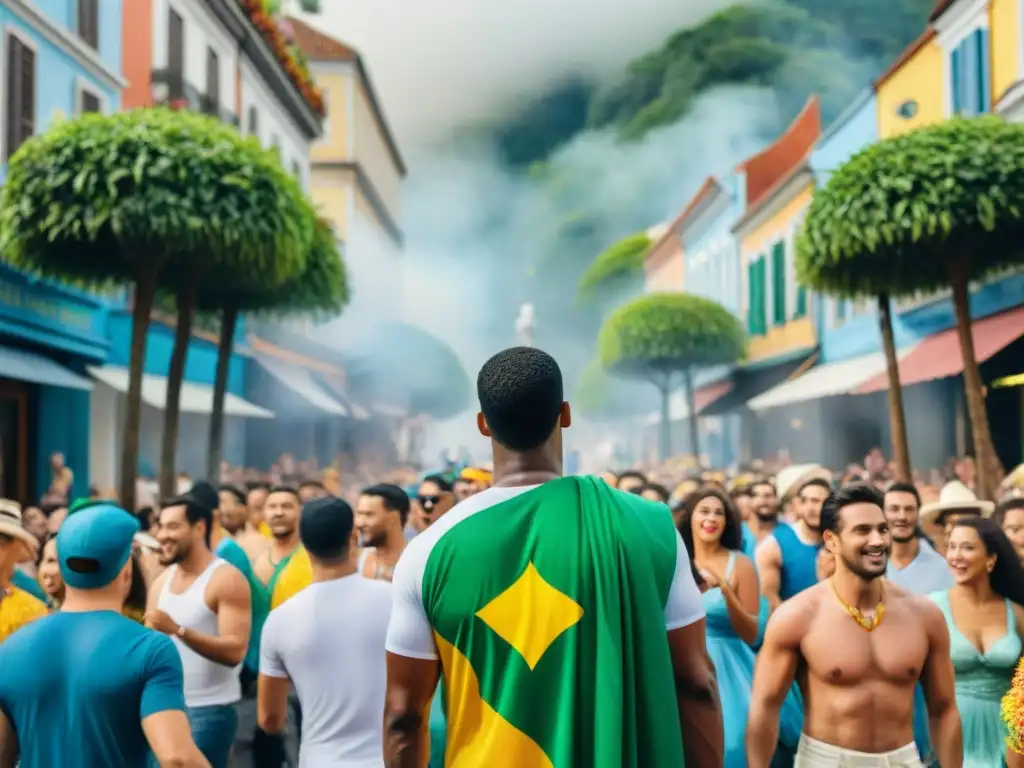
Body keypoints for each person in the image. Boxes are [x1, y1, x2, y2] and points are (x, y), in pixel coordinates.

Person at [384, 347, 723, 767]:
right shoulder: (650, 527)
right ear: (565, 414)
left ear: (483, 424)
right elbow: (695, 682)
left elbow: (403, 716)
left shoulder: (428, 551)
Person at [747, 483, 961, 768]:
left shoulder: (924, 615)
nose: (877, 541)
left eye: (882, 529)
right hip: (825, 760)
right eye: (862, 531)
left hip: (903, 759)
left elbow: (944, 709)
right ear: (832, 540)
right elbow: (765, 707)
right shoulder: (797, 617)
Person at [0, 502, 209, 767]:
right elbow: (178, 758)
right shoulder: (149, 649)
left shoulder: (10, 649)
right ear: (126, 571)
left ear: (63, 569)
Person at [259, 496, 393, 766]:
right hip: (390, 758)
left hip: (321, 759)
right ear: (354, 536)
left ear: (303, 542)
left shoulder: (280, 620)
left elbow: (269, 719)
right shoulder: (395, 601)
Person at [679, 486, 802, 766]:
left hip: (732, 668)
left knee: (733, 746)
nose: (711, 519)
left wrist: (726, 590)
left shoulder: (742, 564)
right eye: (704, 511)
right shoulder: (676, 561)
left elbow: (752, 632)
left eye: (719, 513)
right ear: (691, 519)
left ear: (727, 522)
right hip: (683, 659)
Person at [147, 493, 252, 768]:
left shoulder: (225, 578)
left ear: (199, 528)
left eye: (173, 527)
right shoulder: (161, 582)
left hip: (209, 710)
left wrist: (179, 630)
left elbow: (234, 651)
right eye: (160, 526)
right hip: (164, 710)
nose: (162, 535)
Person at [930, 517, 1024, 767]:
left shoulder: (1016, 613)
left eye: (967, 548)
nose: (956, 556)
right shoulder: (931, 608)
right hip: (950, 738)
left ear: (991, 559)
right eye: (951, 546)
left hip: (1007, 744)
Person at [756, 468, 831, 607]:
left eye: (817, 501)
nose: (811, 508)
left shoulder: (840, 540)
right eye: (805, 501)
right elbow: (770, 599)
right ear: (797, 504)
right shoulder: (774, 544)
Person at [884, 482, 952, 594]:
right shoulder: (870, 564)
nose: (902, 517)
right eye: (894, 509)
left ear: (918, 514)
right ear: (882, 513)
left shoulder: (941, 568)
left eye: (909, 509)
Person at [355, 484, 409, 581]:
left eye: (368, 515)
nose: (359, 523)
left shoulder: (414, 561)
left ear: (393, 518)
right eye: (359, 514)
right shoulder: (360, 560)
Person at [218, 485, 269, 562]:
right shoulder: (216, 540)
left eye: (224, 502)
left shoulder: (259, 540)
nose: (222, 509)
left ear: (244, 508)